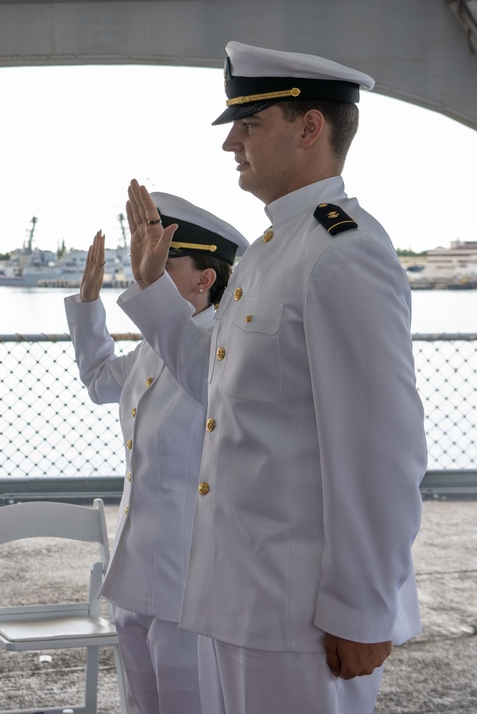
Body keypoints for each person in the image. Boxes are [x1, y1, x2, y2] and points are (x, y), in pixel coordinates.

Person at [119, 42, 427, 714]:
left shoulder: (343, 253)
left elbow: (382, 451)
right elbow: (225, 395)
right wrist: (153, 290)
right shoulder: (268, 254)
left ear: (310, 128)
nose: (231, 141)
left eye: (250, 123)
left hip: (303, 614)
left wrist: (361, 607)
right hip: (244, 597)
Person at [65, 194, 247, 714]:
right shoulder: (154, 347)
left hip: (190, 577)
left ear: (204, 278)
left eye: (162, 261)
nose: (146, 271)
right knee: (142, 704)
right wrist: (87, 304)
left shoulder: (227, 350)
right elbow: (101, 380)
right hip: (136, 570)